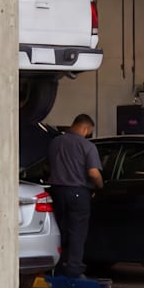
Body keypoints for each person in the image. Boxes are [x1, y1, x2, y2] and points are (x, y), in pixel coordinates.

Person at [46, 113, 104, 279]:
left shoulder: (55, 142)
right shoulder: (87, 146)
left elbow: (47, 167)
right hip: (78, 193)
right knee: (77, 231)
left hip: (56, 191)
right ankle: (73, 269)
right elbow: (93, 173)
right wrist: (100, 185)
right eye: (89, 132)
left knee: (60, 230)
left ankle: (56, 267)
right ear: (85, 128)